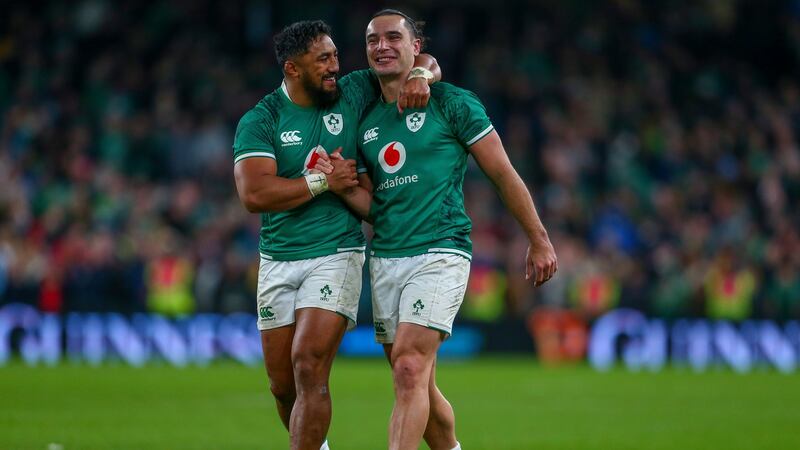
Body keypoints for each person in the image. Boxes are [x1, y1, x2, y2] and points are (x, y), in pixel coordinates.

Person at [320, 10, 557, 450]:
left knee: (409, 369)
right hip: (387, 256)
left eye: (394, 37)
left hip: (441, 250)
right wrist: (343, 184)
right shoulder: (366, 115)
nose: (382, 46)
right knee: (418, 384)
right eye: (373, 40)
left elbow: (503, 173)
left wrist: (538, 239)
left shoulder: (453, 102)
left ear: (417, 46)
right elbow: (378, 207)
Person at [231, 20, 440, 450]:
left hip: (336, 251)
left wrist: (422, 74)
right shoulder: (262, 119)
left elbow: (418, 61)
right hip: (277, 258)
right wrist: (320, 182)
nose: (335, 67)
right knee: (282, 386)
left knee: (308, 364)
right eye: (322, 59)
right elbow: (254, 193)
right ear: (293, 69)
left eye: (335, 56)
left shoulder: (351, 91)